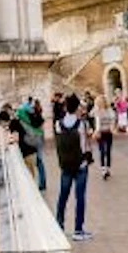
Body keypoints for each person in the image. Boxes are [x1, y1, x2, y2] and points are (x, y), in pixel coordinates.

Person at [54, 94, 92, 240]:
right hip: (80, 164)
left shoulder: (58, 124)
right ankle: (78, 230)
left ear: (65, 107)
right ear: (77, 107)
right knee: (80, 197)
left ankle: (59, 226)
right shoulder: (81, 124)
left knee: (63, 195)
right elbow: (84, 145)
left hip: (65, 165)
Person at [19, 97, 47, 190]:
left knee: (38, 162)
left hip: (34, 140)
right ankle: (42, 183)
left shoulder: (30, 116)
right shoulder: (39, 116)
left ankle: (41, 184)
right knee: (39, 162)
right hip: (39, 140)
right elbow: (41, 130)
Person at [94, 94, 116, 178]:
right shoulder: (97, 111)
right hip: (100, 132)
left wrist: (112, 127)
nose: (101, 103)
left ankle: (108, 168)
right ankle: (103, 168)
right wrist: (96, 131)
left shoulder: (109, 110)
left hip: (108, 132)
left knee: (108, 150)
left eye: (102, 101)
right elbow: (97, 123)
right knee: (102, 150)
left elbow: (113, 119)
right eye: (99, 102)